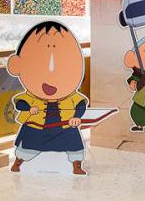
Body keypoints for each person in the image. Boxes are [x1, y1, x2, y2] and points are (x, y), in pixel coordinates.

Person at [7, 21, 89, 175]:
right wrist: (29, 108)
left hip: (65, 126)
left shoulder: (71, 96)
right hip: (36, 126)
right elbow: (20, 103)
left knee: (74, 146)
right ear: (17, 65)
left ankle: (77, 166)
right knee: (27, 147)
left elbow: (80, 104)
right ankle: (18, 163)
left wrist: (76, 117)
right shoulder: (31, 95)